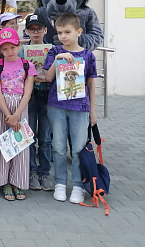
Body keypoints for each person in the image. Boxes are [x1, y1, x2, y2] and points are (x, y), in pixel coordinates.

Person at [43, 13, 97, 204]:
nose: (63, 36)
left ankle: (78, 185)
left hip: (80, 108)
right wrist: (57, 59)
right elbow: (48, 78)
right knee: (58, 146)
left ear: (78, 32)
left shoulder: (88, 55)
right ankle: (60, 183)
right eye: (60, 33)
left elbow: (91, 84)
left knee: (78, 148)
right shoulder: (55, 51)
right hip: (57, 106)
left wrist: (92, 111)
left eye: (67, 32)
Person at [0, 28, 37, 201]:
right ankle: (4, 182)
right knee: (2, 145)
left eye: (12, 47)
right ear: (0, 50)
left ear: (19, 46)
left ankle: (18, 181)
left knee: (20, 144)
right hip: (2, 107)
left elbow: (28, 92)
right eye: (5, 49)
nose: (9, 51)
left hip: (20, 106)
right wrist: (8, 114)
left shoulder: (27, 65)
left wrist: (16, 115)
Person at [20, 14, 53, 192]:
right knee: (30, 136)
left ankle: (45, 172)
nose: (35, 32)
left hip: (48, 97)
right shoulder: (21, 51)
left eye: (39, 29)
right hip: (30, 97)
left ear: (45, 30)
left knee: (46, 138)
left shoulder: (53, 50)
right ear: (26, 31)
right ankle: (31, 171)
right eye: (31, 29)